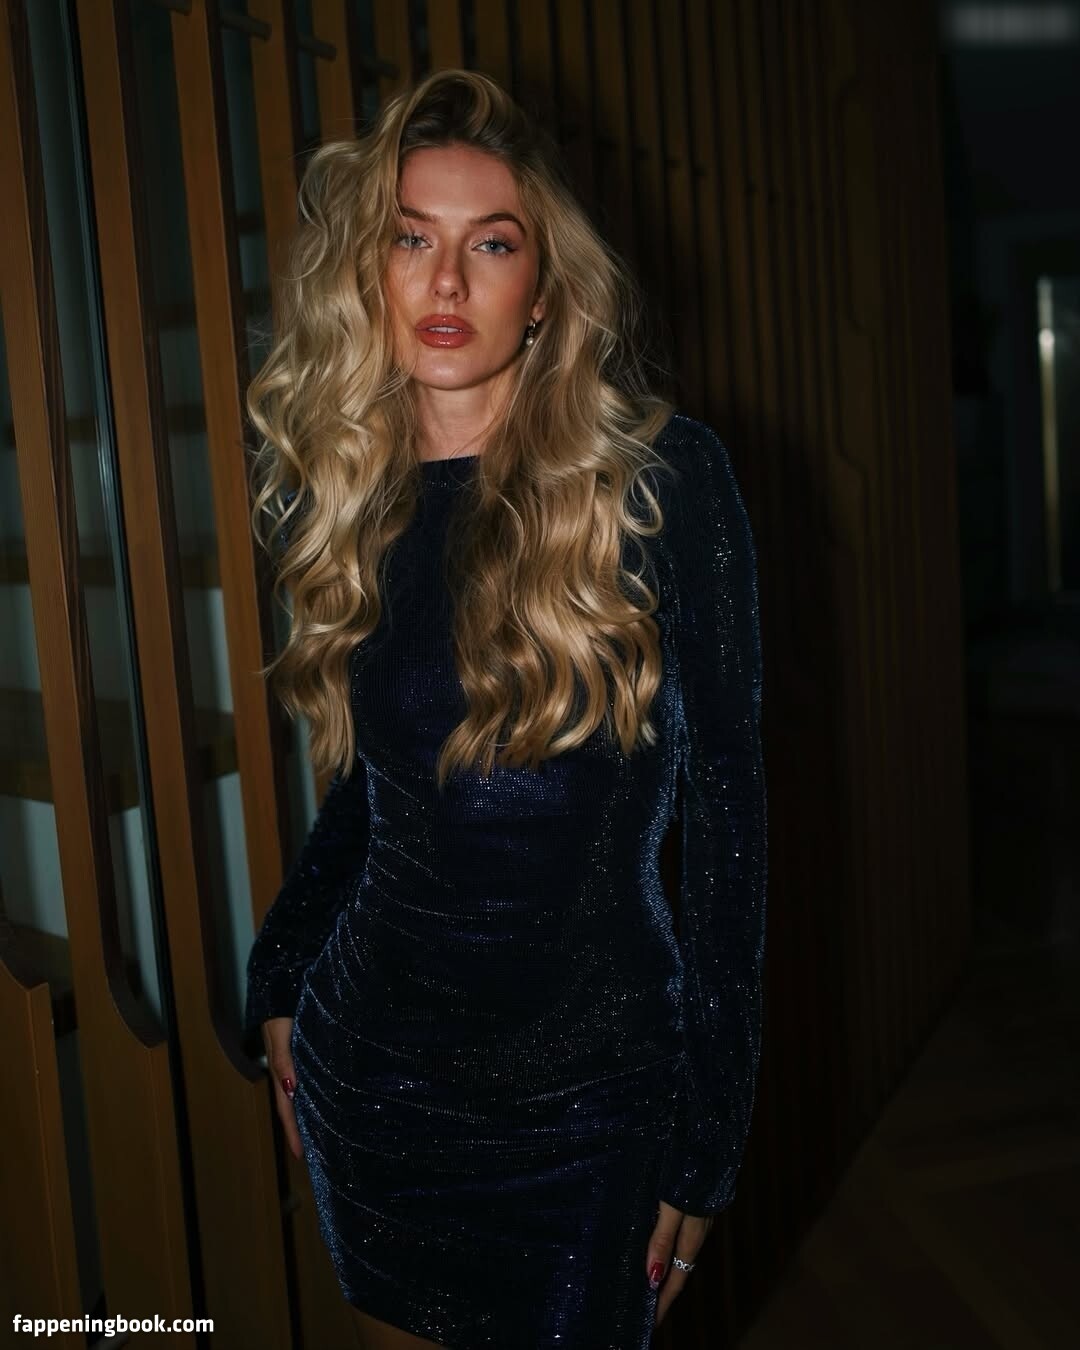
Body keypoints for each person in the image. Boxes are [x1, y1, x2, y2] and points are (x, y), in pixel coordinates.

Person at [243, 68, 767, 1350]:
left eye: (491, 244)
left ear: (544, 290)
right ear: (366, 275)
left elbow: (732, 824)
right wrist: (280, 969)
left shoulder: (660, 481)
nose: (445, 280)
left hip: (593, 1104)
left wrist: (710, 1140)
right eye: (409, 239)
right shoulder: (351, 500)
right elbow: (380, 794)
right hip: (378, 1084)